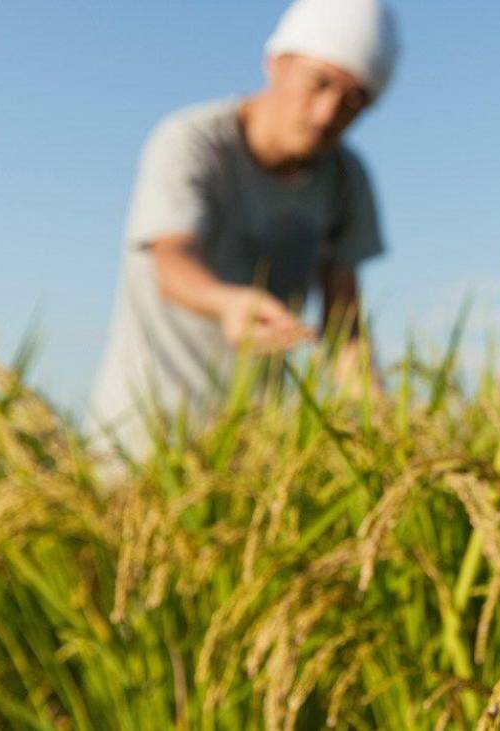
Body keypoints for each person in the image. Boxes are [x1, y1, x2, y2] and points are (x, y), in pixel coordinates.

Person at [85, 0, 399, 466]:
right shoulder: (192, 141)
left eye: (353, 102)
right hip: (142, 440)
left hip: (255, 451)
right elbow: (170, 260)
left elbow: (343, 325)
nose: (326, 113)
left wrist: (389, 429)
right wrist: (228, 304)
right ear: (276, 63)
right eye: (320, 84)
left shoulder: (346, 181)